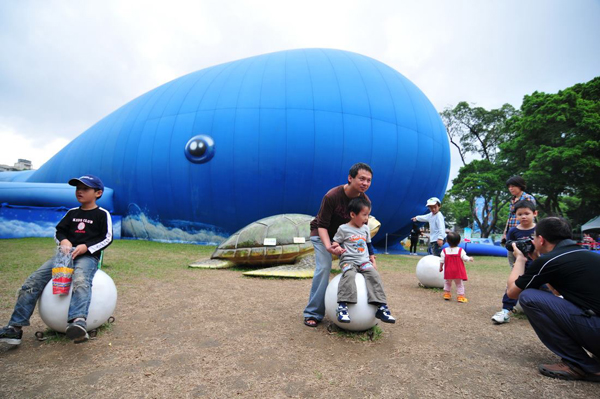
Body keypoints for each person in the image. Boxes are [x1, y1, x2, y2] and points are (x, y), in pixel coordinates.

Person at [0, 175, 113, 345]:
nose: (79, 191)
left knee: (81, 280)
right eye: (77, 188)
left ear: (98, 193)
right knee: (32, 282)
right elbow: (58, 231)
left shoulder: (102, 214)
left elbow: (107, 237)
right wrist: (64, 241)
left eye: (85, 189)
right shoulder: (72, 213)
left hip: (87, 257)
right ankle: (14, 329)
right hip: (63, 258)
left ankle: (77, 322)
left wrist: (87, 247)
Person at [506, 217, 600, 382]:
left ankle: (582, 365)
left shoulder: (549, 260)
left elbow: (512, 293)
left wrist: (520, 259)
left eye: (534, 237)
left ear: (541, 239)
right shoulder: (589, 254)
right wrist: (537, 260)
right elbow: (557, 293)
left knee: (529, 297)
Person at [303, 163, 373, 327]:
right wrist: (329, 246)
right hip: (322, 235)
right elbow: (322, 226)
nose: (365, 183)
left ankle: (364, 312)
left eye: (369, 180)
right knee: (324, 267)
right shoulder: (332, 196)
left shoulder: (365, 201)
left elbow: (362, 228)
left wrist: (369, 255)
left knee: (361, 266)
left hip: (345, 238)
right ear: (350, 178)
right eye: (361, 178)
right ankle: (313, 313)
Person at [332, 197, 395, 324]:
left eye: (368, 215)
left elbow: (369, 245)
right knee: (349, 275)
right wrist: (337, 248)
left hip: (364, 261)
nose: (367, 218)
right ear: (352, 214)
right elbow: (335, 242)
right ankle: (342, 307)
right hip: (348, 261)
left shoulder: (365, 229)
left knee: (374, 275)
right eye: (364, 215)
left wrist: (372, 259)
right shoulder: (343, 229)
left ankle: (381, 307)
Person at [492, 200, 537, 324]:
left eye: (527, 213)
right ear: (515, 216)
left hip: (539, 265)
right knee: (513, 287)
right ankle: (505, 311)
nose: (523, 216)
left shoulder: (540, 229)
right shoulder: (513, 231)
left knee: (547, 287)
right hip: (522, 266)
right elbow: (509, 248)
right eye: (520, 214)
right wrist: (514, 263)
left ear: (535, 213)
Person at [501, 176, 536, 267]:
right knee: (511, 257)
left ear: (520, 186)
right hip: (512, 232)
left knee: (527, 259)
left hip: (524, 232)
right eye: (509, 187)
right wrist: (505, 232)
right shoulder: (512, 199)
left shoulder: (528, 198)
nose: (510, 189)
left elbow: (531, 215)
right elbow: (510, 217)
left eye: (513, 186)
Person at [439, 232, 473, 303]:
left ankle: (447, 294)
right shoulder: (460, 250)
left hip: (448, 271)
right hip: (458, 271)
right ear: (459, 241)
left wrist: (441, 267)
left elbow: (442, 261)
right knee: (459, 284)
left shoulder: (444, 251)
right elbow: (465, 258)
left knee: (447, 282)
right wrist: (469, 258)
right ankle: (460, 296)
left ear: (447, 241)